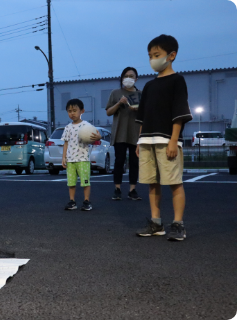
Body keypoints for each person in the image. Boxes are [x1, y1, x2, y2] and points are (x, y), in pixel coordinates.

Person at [135, 34, 192, 241]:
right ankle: (156, 223)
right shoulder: (149, 86)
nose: (152, 59)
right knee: (152, 182)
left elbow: (179, 112)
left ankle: (178, 225)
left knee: (175, 182)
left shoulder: (178, 80)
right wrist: (139, 141)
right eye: (150, 55)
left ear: (171, 55)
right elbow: (142, 117)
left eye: (157, 55)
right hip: (147, 141)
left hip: (167, 140)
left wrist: (173, 141)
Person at [105, 67, 142, 201]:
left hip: (135, 133)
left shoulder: (141, 94)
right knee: (119, 161)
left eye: (131, 76)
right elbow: (108, 112)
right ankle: (117, 188)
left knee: (134, 162)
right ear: (121, 78)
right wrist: (119, 103)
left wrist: (136, 109)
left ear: (136, 79)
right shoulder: (116, 93)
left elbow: (146, 114)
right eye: (126, 76)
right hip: (120, 132)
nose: (128, 78)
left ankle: (132, 190)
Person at [62, 99, 102, 211]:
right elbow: (66, 143)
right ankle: (72, 201)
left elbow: (96, 136)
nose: (72, 113)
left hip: (83, 158)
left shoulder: (87, 126)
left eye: (75, 110)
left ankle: (86, 201)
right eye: (69, 111)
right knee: (71, 183)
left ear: (82, 111)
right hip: (70, 159)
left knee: (85, 182)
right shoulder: (67, 128)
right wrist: (64, 158)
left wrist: (99, 137)